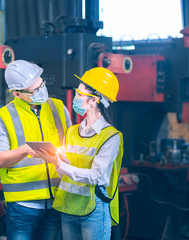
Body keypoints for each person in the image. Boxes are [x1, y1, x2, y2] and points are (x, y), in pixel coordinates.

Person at [35, 67, 124, 240]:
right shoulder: (72, 132)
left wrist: (58, 163)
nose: (76, 97)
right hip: (68, 206)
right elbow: (65, 172)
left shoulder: (111, 137)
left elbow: (95, 176)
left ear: (93, 101)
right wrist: (54, 159)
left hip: (94, 209)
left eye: (79, 93)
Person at [0, 59, 72, 240]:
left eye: (41, 84)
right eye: (35, 90)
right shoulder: (3, 117)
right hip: (23, 205)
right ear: (17, 94)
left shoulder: (58, 107)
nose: (42, 90)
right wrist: (24, 150)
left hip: (57, 201)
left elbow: (72, 145)